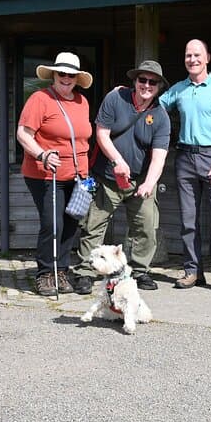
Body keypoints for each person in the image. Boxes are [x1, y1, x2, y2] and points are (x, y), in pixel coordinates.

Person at [72, 60, 170, 295]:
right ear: (134, 81)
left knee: (146, 226)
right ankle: (85, 272)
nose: (146, 85)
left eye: (152, 82)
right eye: (142, 80)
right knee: (94, 225)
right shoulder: (115, 99)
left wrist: (149, 183)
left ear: (159, 87)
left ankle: (140, 270)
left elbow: (159, 157)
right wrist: (117, 161)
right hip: (107, 177)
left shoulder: (161, 116)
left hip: (140, 179)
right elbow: (102, 135)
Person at [158, 39, 211, 294]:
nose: (192, 59)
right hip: (185, 159)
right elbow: (152, 105)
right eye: (188, 55)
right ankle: (193, 271)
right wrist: (127, 94)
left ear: (207, 58)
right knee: (189, 221)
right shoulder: (178, 90)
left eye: (196, 55)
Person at [16, 52, 93, 297]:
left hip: (78, 177)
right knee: (53, 223)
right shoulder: (40, 99)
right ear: (54, 75)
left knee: (71, 224)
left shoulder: (82, 102)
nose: (66, 78)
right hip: (46, 173)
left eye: (71, 75)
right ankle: (45, 274)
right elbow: (23, 134)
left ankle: (61, 270)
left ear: (77, 78)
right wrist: (42, 155)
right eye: (62, 74)